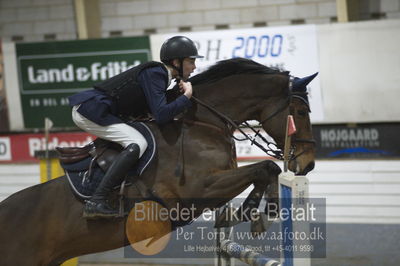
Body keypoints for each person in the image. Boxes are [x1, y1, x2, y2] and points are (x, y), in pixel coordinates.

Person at [69, 36, 203, 218]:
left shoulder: (161, 76)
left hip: (98, 109)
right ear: (176, 62)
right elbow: (162, 115)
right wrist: (186, 96)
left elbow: (153, 109)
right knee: (138, 143)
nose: (194, 66)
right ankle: (96, 200)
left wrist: (176, 94)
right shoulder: (157, 73)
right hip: (91, 110)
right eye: (191, 61)